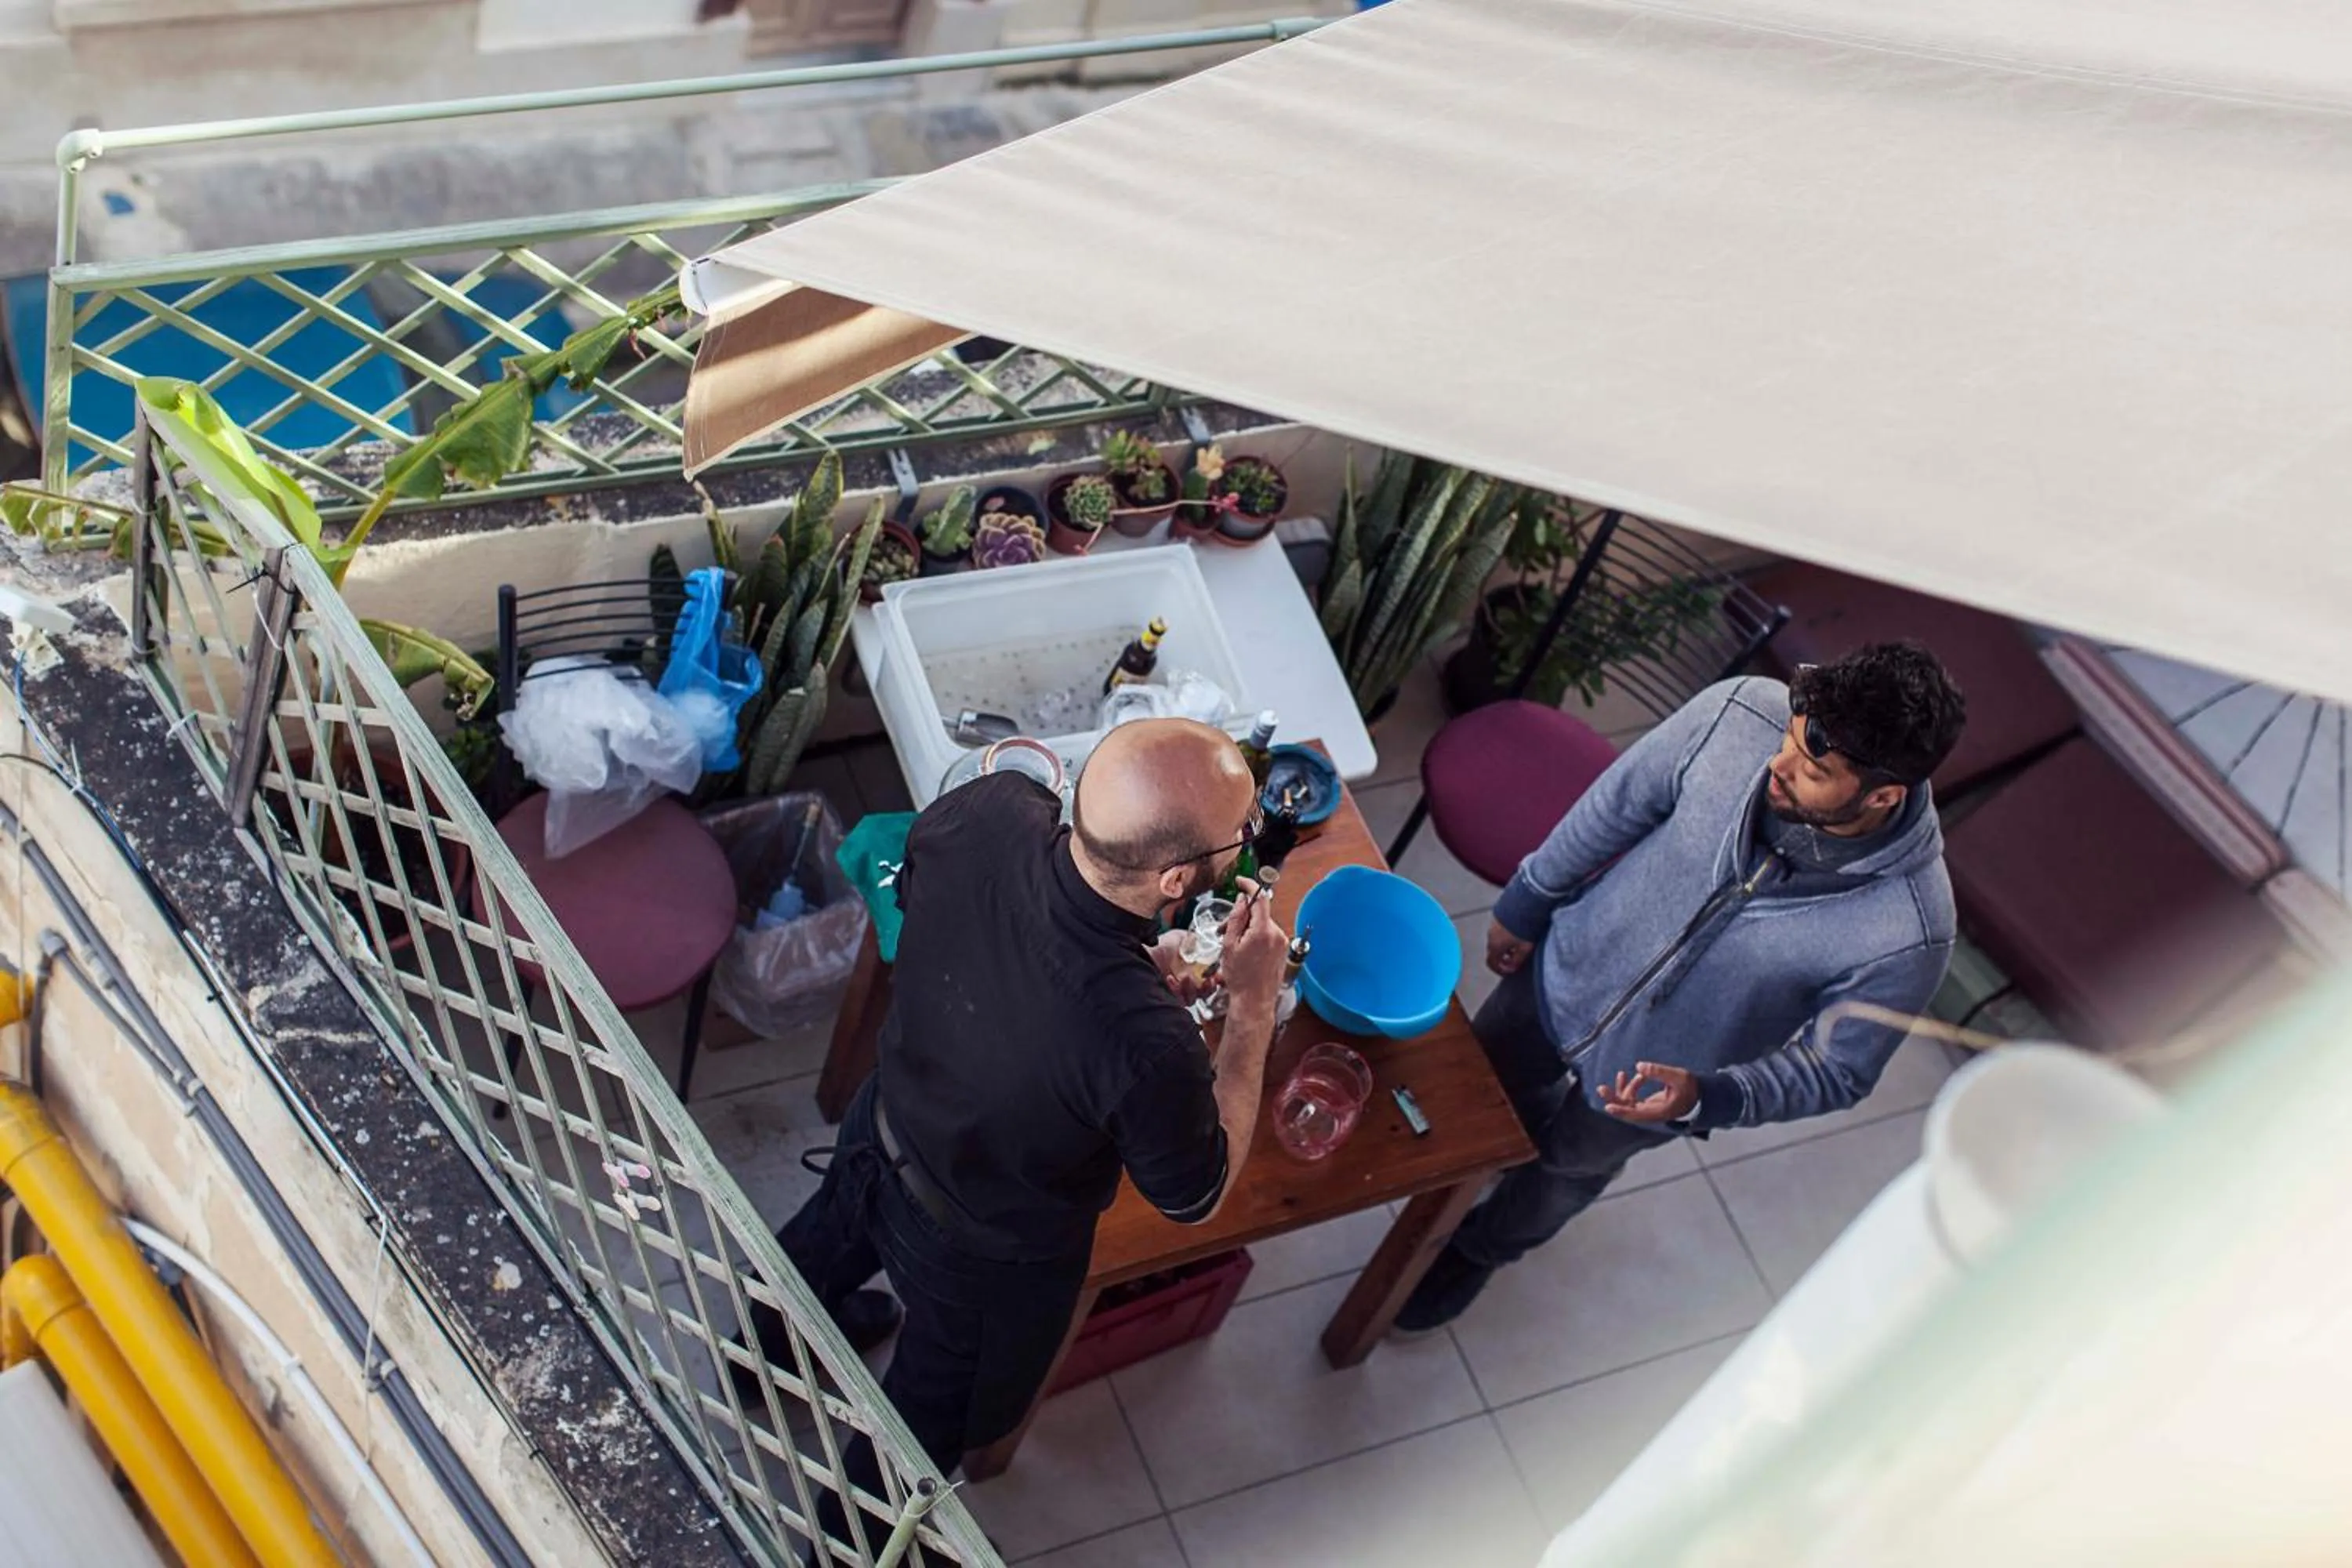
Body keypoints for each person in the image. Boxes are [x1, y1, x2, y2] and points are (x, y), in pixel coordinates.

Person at [753, 717, 1289, 1538]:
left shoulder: (990, 809)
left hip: (887, 1122)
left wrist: (1131, 970)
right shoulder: (1147, 1044)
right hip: (980, 1255)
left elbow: (989, 936)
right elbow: (1195, 1193)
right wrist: (1252, 1008)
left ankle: (753, 1362)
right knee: (922, 1417)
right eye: (1242, 830)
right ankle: (845, 1543)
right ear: (1180, 877)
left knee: (813, 1253)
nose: (1247, 841)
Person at [1396, 641, 1969, 1332]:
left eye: (1812, 770)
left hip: (1651, 1088)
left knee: (1563, 1174)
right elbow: (1616, 804)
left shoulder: (1910, 929)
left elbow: (1838, 1070)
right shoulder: (1738, 712)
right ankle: (1455, 1184)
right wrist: (1527, 902)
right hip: (1564, 972)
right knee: (1477, 1096)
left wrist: (1711, 1096)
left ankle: (1477, 1249)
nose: (1776, 767)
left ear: (1881, 796)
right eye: (1789, 739)